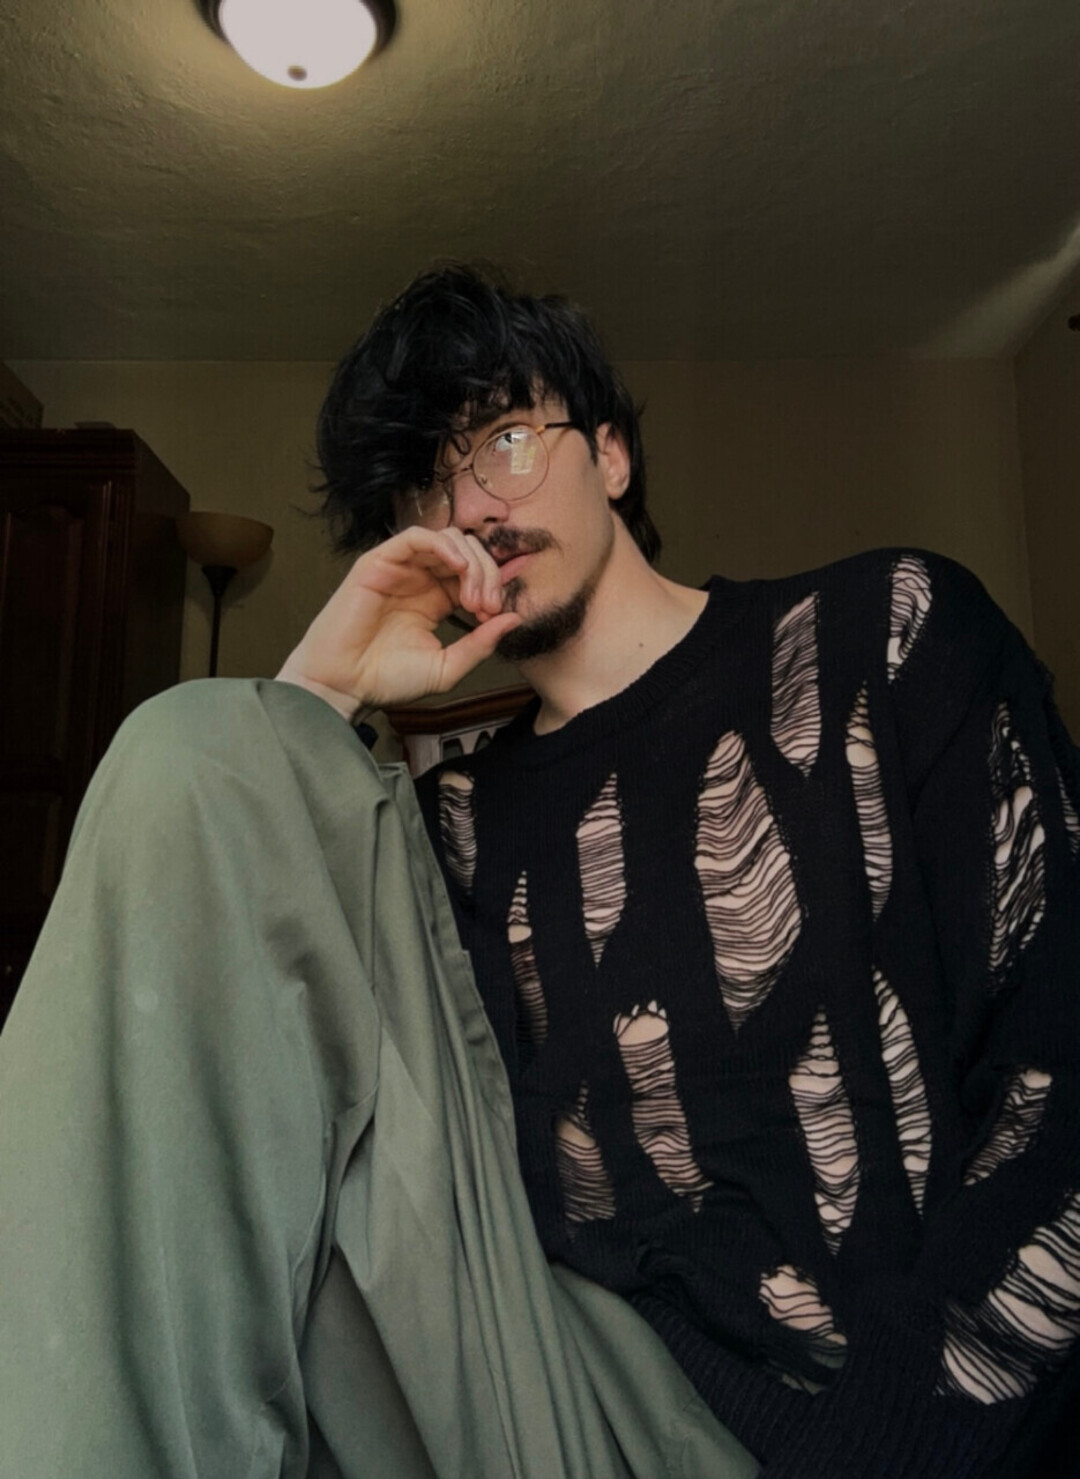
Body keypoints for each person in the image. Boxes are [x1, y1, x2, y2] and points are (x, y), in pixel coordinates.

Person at [1, 265, 1077, 1479]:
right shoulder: (445, 828)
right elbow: (266, 1112)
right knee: (189, 747)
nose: (473, 503)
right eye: (429, 482)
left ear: (610, 454)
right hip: (560, 1393)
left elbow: (1063, 1070)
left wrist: (909, 1442)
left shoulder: (884, 635)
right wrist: (321, 691)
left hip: (875, 1414)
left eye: (507, 439)